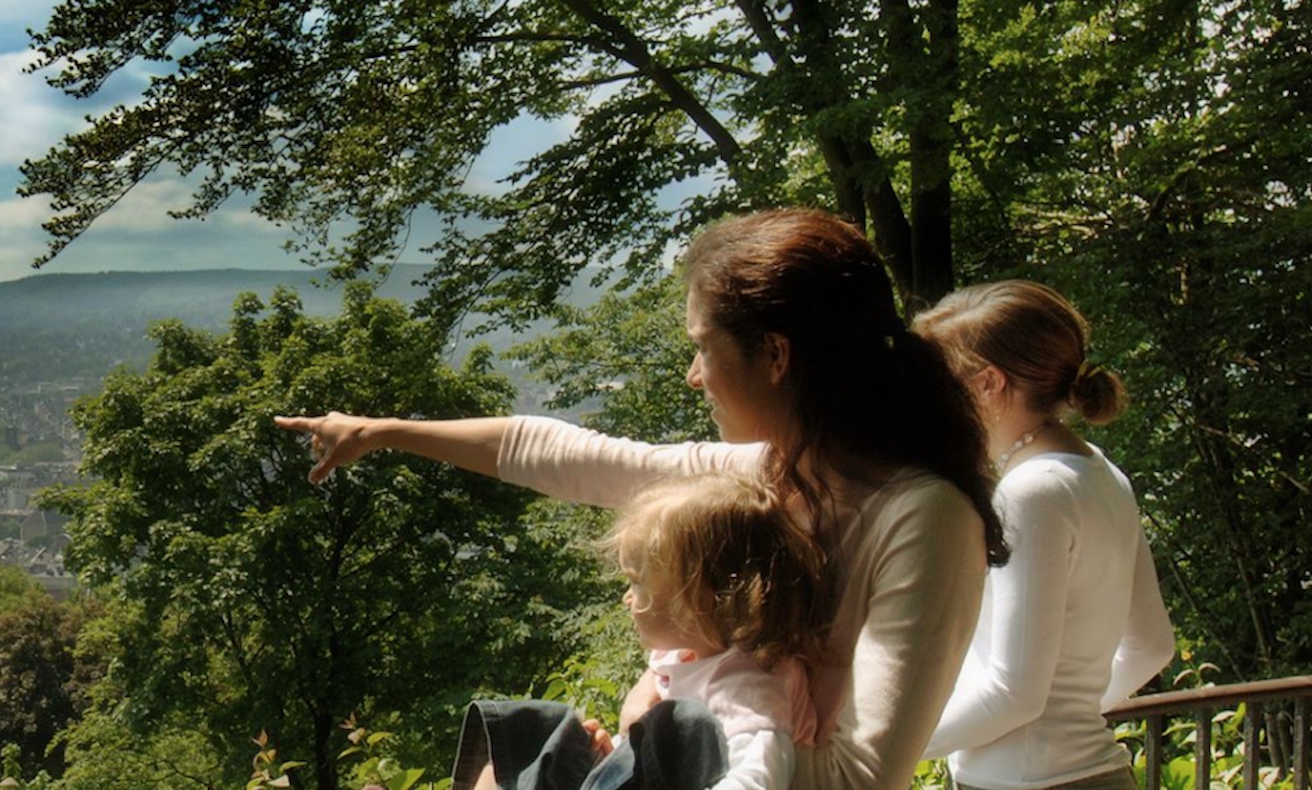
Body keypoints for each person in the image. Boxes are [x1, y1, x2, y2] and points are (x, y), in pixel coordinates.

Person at [276, 208, 1004, 790]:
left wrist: (663, 733)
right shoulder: (771, 470)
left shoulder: (924, 517)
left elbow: (860, 778)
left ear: (776, 356)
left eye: (702, 347)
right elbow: (567, 457)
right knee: (513, 731)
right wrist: (381, 432)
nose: (693, 374)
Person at [912, 280, 1175, 790]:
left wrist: (879, 751)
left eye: (940, 384)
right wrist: (1068, 720)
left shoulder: (1032, 491)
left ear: (988, 382)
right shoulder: (1100, 473)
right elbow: (1151, 645)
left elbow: (1012, 691)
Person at [602, 473, 830, 790]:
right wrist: (615, 749)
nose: (627, 597)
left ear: (695, 602)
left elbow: (759, 778)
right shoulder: (686, 650)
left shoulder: (746, 686)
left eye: (637, 583)